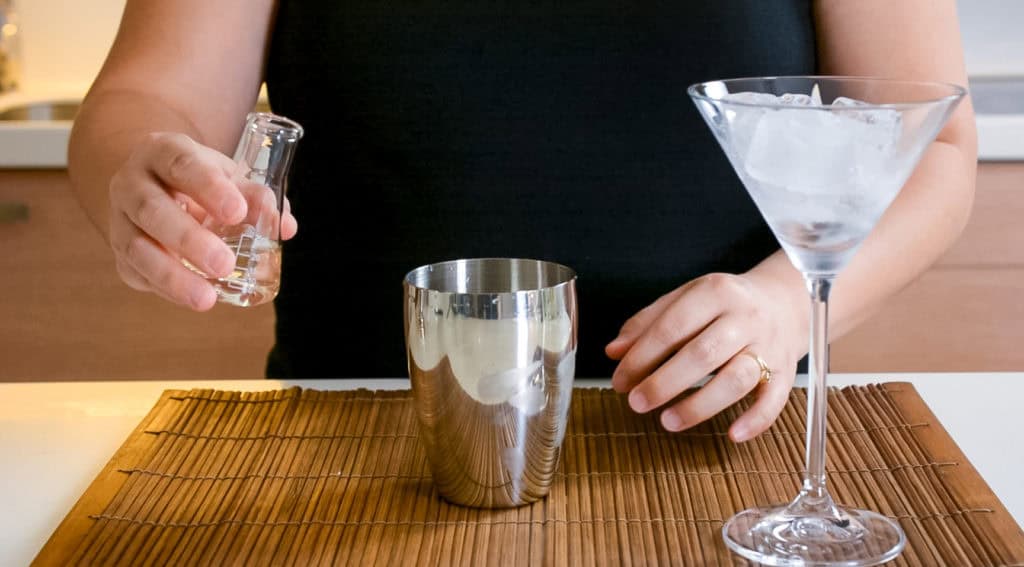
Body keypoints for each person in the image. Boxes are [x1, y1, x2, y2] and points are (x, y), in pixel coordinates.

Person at [68, 1, 976, 443]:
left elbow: (933, 146)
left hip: (714, 438)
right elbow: (150, 93)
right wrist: (140, 167)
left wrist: (780, 308)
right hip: (352, 439)